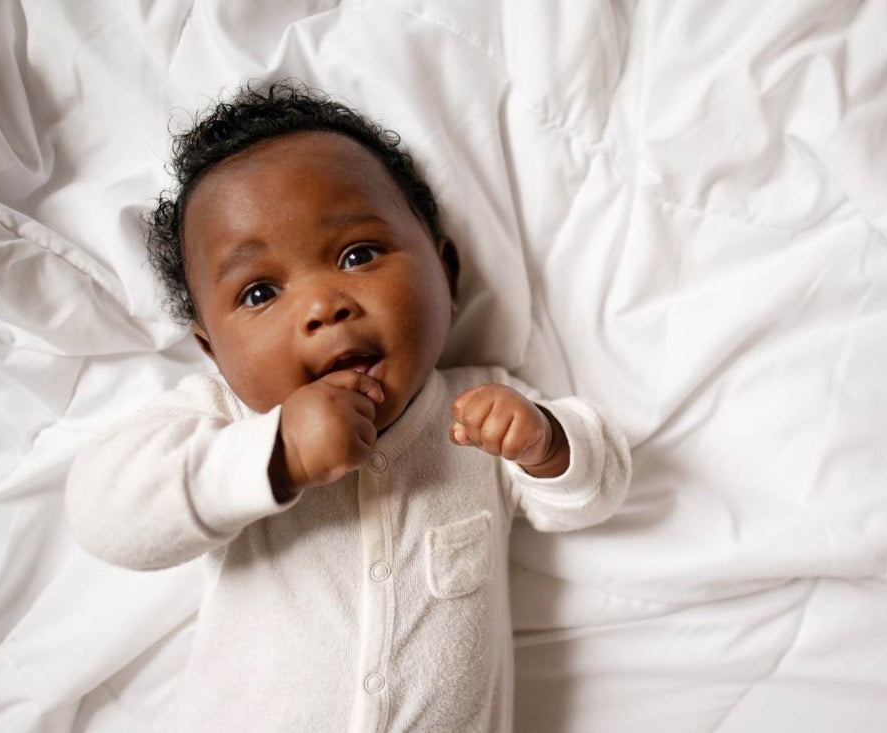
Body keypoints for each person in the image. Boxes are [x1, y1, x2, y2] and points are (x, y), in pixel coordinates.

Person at [66, 80, 632, 732]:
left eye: (358, 254)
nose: (322, 306)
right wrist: (276, 454)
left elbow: (599, 485)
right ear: (214, 350)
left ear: (446, 277)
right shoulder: (227, 424)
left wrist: (547, 442)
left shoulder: (481, 405)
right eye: (258, 293)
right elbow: (103, 510)